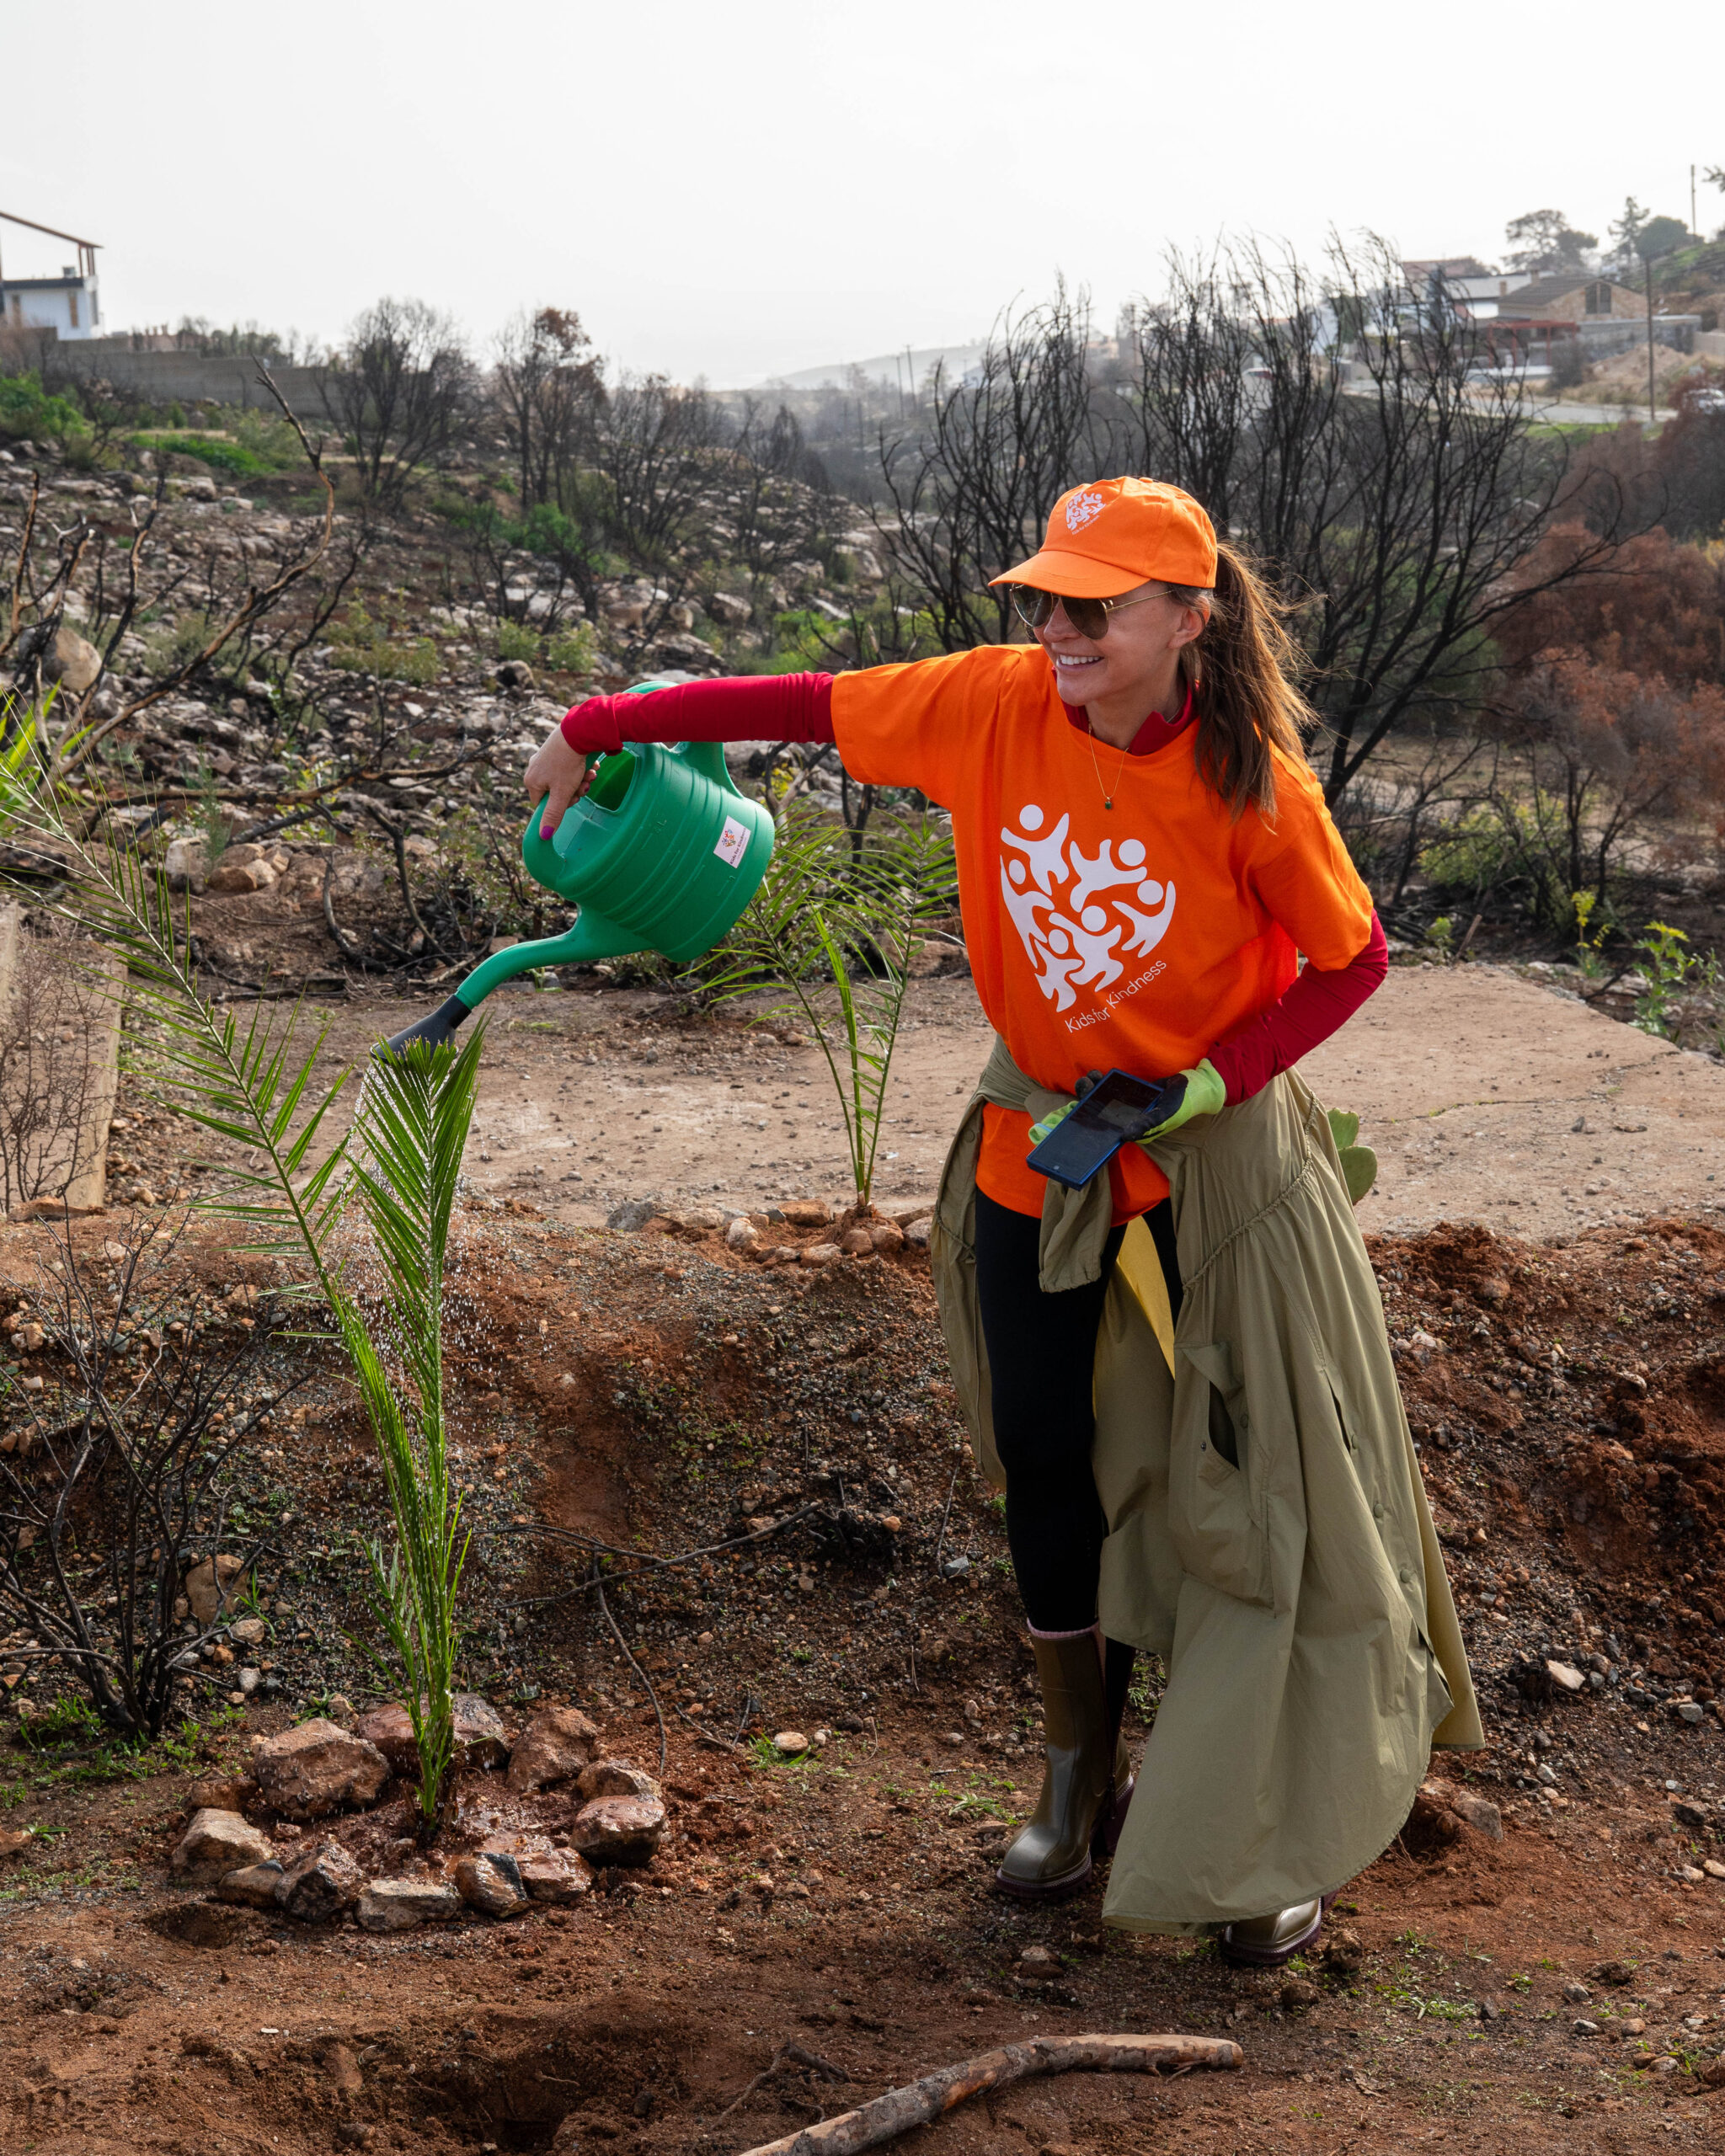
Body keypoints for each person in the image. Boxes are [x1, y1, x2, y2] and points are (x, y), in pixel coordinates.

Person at [526, 476, 1478, 1965]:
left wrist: (1208, 1083)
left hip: (1212, 1163)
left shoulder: (1255, 789)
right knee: (1044, 1450)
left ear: (1189, 619)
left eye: (1094, 605)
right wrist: (599, 723)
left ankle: (1265, 1820)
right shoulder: (991, 704)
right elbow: (804, 705)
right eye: (1044, 598)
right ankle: (1077, 1770)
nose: (1058, 627)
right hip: (1044, 1141)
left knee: (1256, 1477)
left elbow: (1351, 960)